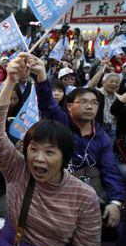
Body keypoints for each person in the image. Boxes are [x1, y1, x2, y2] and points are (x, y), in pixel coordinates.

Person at [0, 55, 101, 246]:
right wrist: (10, 81)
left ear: (65, 157)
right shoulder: (17, 169)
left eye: (49, 152)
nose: (39, 158)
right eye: (34, 149)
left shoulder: (84, 197)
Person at [32, 56, 125, 228]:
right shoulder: (61, 122)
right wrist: (42, 76)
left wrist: (116, 201)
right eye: (83, 102)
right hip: (57, 188)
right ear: (69, 106)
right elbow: (47, 104)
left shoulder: (101, 136)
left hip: (90, 191)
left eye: (94, 103)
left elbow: (110, 170)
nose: (90, 107)